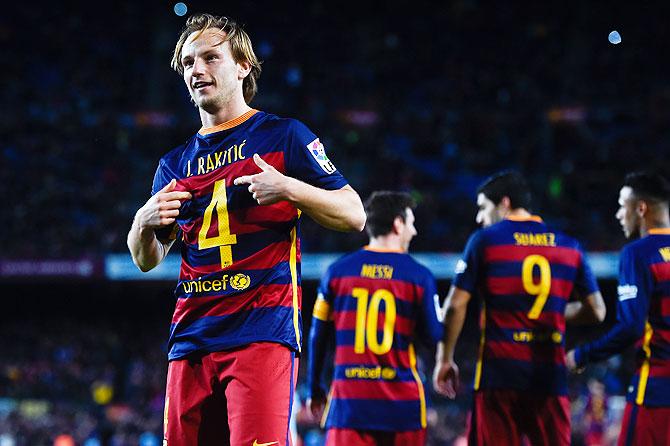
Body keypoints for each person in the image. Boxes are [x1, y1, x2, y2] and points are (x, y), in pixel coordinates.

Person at [126, 13, 365, 446]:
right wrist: (141, 221)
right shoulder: (173, 164)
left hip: (260, 333)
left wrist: (290, 188)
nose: (197, 70)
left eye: (211, 58)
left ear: (243, 67)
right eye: (187, 62)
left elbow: (354, 214)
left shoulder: (284, 136)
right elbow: (146, 260)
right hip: (190, 339)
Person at [433, 171, 606, 446]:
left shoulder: (485, 241)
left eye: (483, 208)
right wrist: (553, 314)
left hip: (498, 376)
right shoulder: (569, 246)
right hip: (549, 376)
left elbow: (455, 304)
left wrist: (445, 359)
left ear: (504, 203)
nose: (480, 218)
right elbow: (597, 311)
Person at [306, 191, 443, 445]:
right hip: (403, 409)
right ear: (398, 224)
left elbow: (318, 335)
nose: (414, 232)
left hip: (349, 408)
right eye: (411, 223)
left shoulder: (337, 273)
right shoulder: (419, 276)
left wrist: (315, 387)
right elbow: (435, 337)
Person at [567, 171, 670, 445]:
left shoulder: (638, 253)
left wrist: (582, 355)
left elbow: (630, 327)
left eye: (622, 206)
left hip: (657, 389)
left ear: (641, 208)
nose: (617, 215)